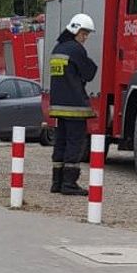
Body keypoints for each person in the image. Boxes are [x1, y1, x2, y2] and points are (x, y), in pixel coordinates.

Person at [47, 13, 98, 196]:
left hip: (59, 106)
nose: (85, 38)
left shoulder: (57, 48)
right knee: (75, 144)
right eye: (83, 34)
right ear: (75, 30)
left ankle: (57, 182)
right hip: (75, 106)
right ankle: (69, 184)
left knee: (60, 143)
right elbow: (89, 73)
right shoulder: (76, 50)